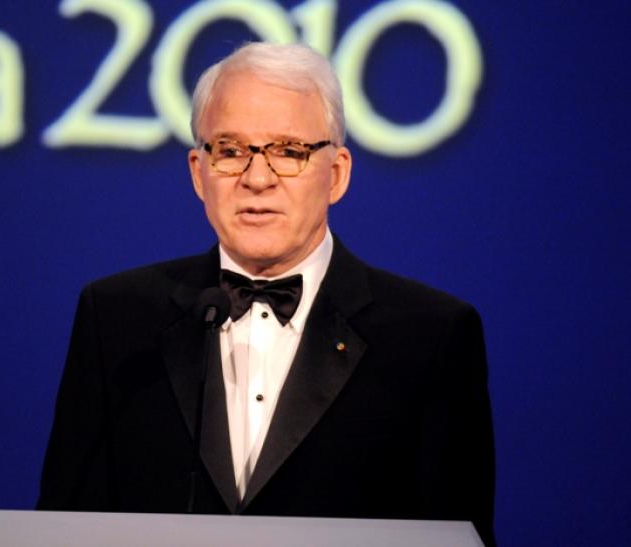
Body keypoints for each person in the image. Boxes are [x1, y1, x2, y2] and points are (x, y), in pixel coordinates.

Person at [37, 42, 496, 546]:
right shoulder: (118, 318)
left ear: (337, 174)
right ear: (198, 173)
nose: (257, 179)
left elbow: (455, 534)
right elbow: (66, 524)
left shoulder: (429, 335)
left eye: (288, 152)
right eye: (231, 152)